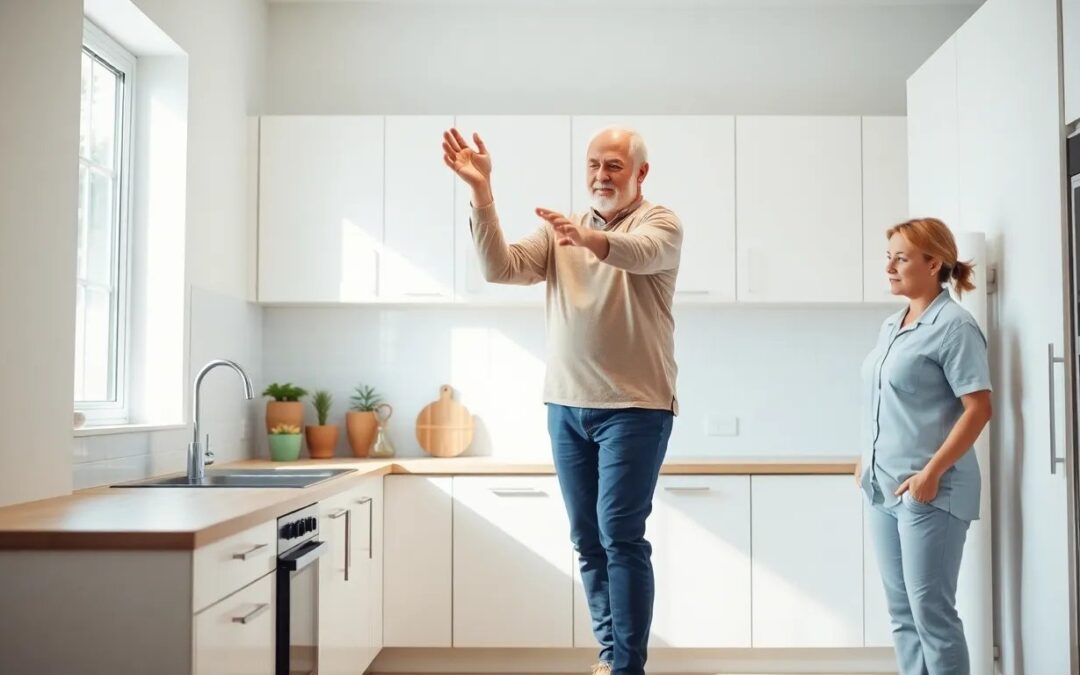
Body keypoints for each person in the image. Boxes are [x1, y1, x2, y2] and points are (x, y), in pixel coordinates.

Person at [442, 125, 682, 675]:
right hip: (566, 407)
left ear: (640, 173)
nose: (601, 175)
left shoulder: (660, 223)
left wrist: (590, 239)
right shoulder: (559, 233)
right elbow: (499, 268)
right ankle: (611, 656)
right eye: (595, 164)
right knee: (587, 539)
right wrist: (482, 193)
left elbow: (638, 253)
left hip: (636, 407)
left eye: (615, 165)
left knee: (620, 535)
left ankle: (628, 668)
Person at [856, 217, 993, 675]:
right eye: (888, 257)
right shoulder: (892, 323)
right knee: (902, 617)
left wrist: (931, 474)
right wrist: (865, 461)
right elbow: (887, 402)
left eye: (902, 257)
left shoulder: (955, 327)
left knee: (932, 616)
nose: (890, 267)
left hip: (930, 493)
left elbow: (979, 408)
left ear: (934, 263)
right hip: (882, 489)